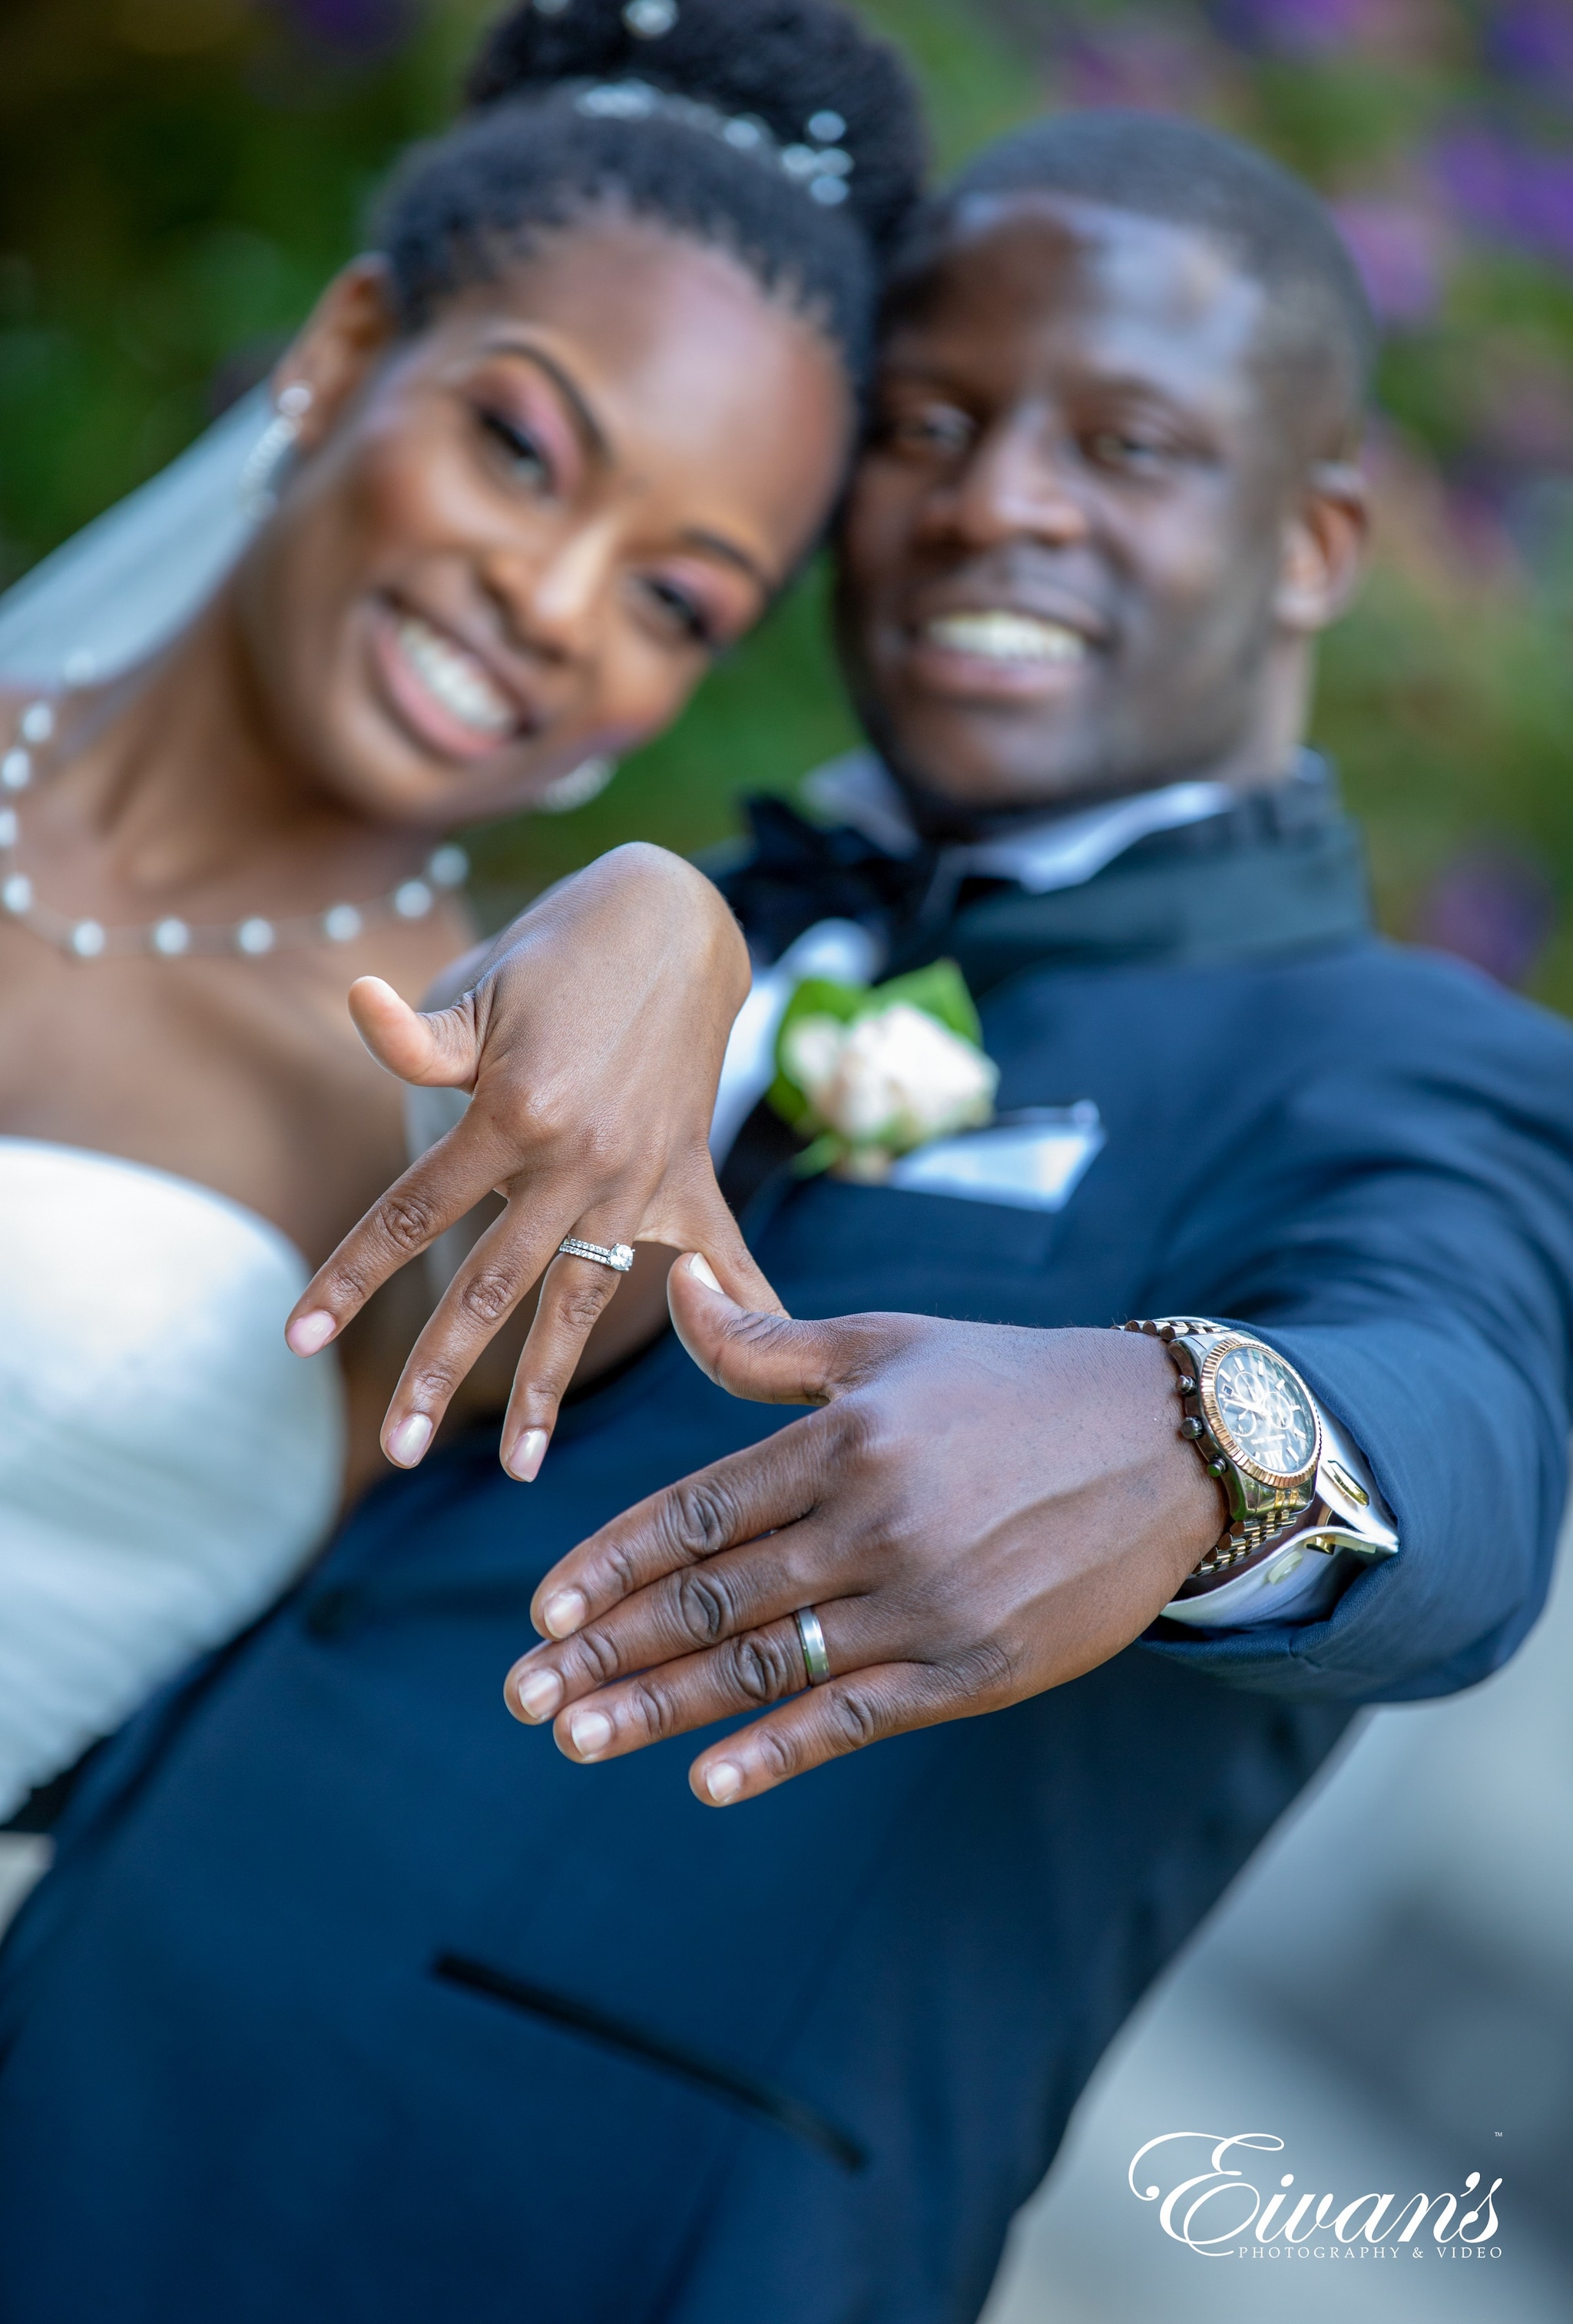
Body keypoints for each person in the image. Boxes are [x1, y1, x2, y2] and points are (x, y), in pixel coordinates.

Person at [3, 111, 1571, 2324]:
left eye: (1123, 443)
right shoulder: (697, 919)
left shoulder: (1406, 1067)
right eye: (930, 423)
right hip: (72, 2063)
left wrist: (1200, 1436)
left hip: (567, 2241)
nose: (998, 496)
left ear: (1314, 539)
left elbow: (1471, 1434)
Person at [0, 0, 926, 1832]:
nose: (557, 605)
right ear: (341, 354)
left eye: (674, 600)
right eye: (521, 451)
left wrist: (679, 911)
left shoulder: (499, 1125)